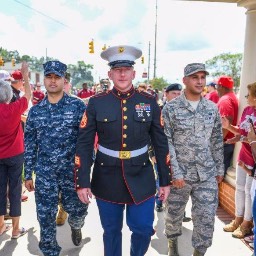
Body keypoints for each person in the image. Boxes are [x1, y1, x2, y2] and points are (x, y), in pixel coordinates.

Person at [75, 45, 171, 256]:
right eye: (117, 69)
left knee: (144, 230)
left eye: (126, 69)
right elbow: (84, 144)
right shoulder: (96, 103)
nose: (122, 73)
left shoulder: (148, 102)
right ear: (110, 74)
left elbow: (161, 143)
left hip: (142, 175)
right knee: (111, 231)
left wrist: (165, 180)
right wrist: (82, 182)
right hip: (106, 176)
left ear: (133, 73)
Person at [24, 60, 89, 256]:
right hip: (45, 173)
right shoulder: (35, 112)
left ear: (64, 80)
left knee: (78, 210)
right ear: (44, 79)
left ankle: (76, 225)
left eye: (57, 77)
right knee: (45, 217)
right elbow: (30, 144)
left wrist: (86, 170)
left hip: (72, 172)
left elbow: (86, 141)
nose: (53, 81)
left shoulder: (77, 106)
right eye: (49, 77)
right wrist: (28, 174)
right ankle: (50, 250)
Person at [162, 63, 224, 256]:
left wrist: (220, 169)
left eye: (202, 77)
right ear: (185, 81)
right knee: (173, 215)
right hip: (179, 175)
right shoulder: (170, 109)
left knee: (205, 219)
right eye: (195, 77)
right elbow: (166, 142)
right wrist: (176, 172)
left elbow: (216, 140)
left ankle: (199, 252)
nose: (199, 81)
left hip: (206, 173)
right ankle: (173, 245)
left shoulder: (211, 108)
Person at [0, 62, 31, 238]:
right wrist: (25, 76)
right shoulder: (14, 108)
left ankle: (1, 225)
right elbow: (28, 94)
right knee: (15, 189)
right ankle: (16, 229)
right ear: (8, 95)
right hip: (15, 154)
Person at [222, 82, 256, 239]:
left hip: (254, 160)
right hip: (243, 155)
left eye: (249, 95)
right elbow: (243, 132)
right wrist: (230, 128)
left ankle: (247, 224)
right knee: (240, 189)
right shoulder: (248, 109)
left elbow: (252, 139)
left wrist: (244, 138)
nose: (246, 97)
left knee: (249, 192)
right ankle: (238, 219)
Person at [216, 76, 238, 175]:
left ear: (221, 86)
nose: (216, 89)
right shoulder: (231, 97)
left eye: (217, 86)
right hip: (227, 143)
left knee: (215, 177)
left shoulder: (225, 99)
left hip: (224, 144)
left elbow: (226, 122)